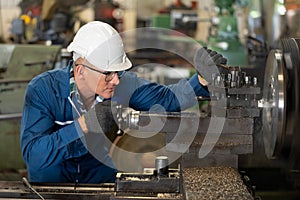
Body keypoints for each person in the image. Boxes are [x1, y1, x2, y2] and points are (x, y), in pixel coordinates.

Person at [20, 21, 227, 183]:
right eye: (108, 74)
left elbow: (167, 99)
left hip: (99, 179)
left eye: (118, 72)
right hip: (51, 187)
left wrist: (201, 79)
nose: (116, 80)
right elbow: (34, 155)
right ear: (80, 70)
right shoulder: (43, 91)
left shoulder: (122, 84)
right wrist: (83, 125)